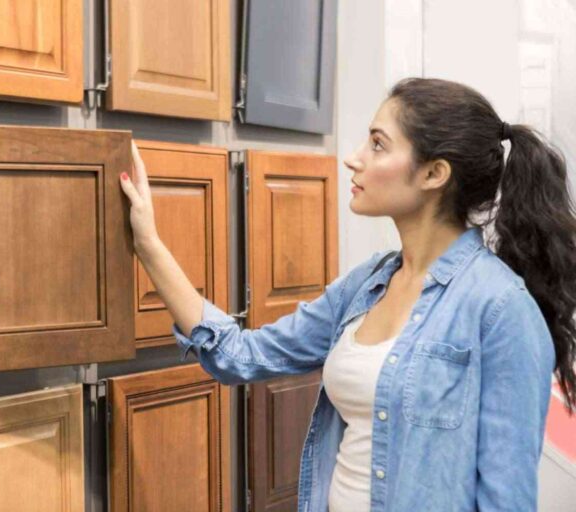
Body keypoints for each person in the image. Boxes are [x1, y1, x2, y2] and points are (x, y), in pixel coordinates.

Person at [118, 77, 576, 512]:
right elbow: (240, 355)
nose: (354, 158)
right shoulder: (366, 285)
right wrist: (148, 245)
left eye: (378, 144)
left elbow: (507, 500)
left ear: (434, 173)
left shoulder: (501, 311)